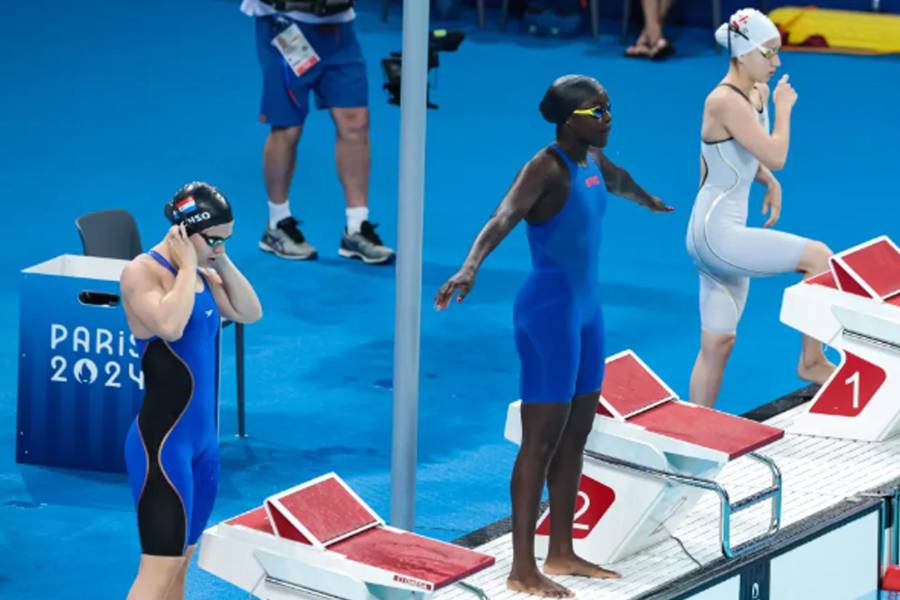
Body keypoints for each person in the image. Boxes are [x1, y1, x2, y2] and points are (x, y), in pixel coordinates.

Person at [435, 75, 673, 597]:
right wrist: (471, 266)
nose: (608, 118)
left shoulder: (592, 160)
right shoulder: (545, 167)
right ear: (569, 120)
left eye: (610, 108)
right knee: (541, 439)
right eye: (597, 112)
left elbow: (618, 179)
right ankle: (522, 568)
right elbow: (503, 216)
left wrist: (647, 199)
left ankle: (560, 552)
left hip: (587, 311)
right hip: (549, 313)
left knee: (577, 433)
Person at [685, 8, 835, 409]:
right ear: (742, 53)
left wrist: (766, 179)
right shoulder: (723, 100)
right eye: (768, 53)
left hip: (712, 232)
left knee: (718, 343)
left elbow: (732, 156)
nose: (777, 62)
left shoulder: (756, 92)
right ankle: (812, 361)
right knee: (819, 258)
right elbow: (776, 152)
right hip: (718, 234)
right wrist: (784, 110)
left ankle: (695, 432)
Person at [120, 182, 263, 599]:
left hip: (203, 449)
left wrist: (217, 257)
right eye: (213, 238)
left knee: (180, 570)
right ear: (183, 232)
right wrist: (186, 267)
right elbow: (170, 325)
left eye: (226, 240)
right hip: (162, 448)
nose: (218, 248)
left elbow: (251, 312)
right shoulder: (142, 272)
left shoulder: (204, 271)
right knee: (156, 574)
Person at [241, 0, 395, 264]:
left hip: (338, 29)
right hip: (287, 28)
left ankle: (357, 228)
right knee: (288, 126)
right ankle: (278, 223)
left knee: (355, 121)